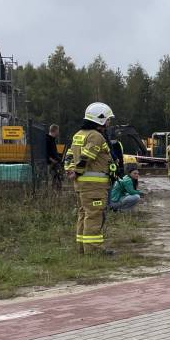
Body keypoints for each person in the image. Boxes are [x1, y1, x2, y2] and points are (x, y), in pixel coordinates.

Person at [64, 102, 117, 255]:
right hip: (94, 186)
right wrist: (77, 171)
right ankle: (94, 250)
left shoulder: (79, 134)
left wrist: (70, 170)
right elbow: (87, 156)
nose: (109, 122)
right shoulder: (96, 136)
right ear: (100, 119)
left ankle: (82, 248)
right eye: (108, 119)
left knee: (84, 214)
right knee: (94, 216)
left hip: (81, 186)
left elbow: (69, 156)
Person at [45, 124, 64, 190]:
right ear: (55, 130)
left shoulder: (52, 139)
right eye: (58, 130)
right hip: (50, 164)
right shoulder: (47, 139)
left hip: (54, 163)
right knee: (52, 179)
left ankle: (56, 191)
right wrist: (52, 160)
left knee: (57, 179)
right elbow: (44, 152)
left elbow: (53, 152)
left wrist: (59, 158)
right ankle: (52, 192)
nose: (58, 132)